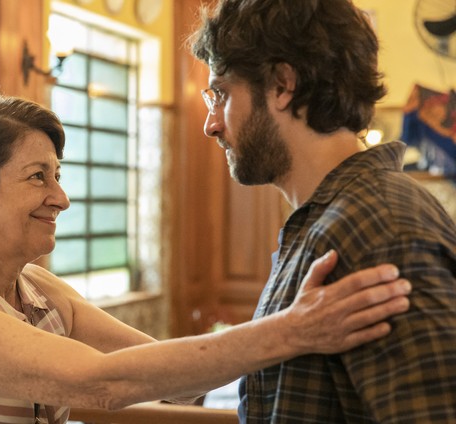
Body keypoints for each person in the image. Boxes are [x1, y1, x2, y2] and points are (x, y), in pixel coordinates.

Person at [0, 88, 411, 423]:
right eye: (37, 177)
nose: (61, 197)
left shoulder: (41, 292)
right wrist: (293, 328)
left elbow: (177, 382)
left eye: (58, 175)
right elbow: (102, 382)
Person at [191, 0, 456, 422]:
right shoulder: (327, 219)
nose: (211, 124)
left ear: (282, 85)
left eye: (220, 93)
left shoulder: (378, 227)